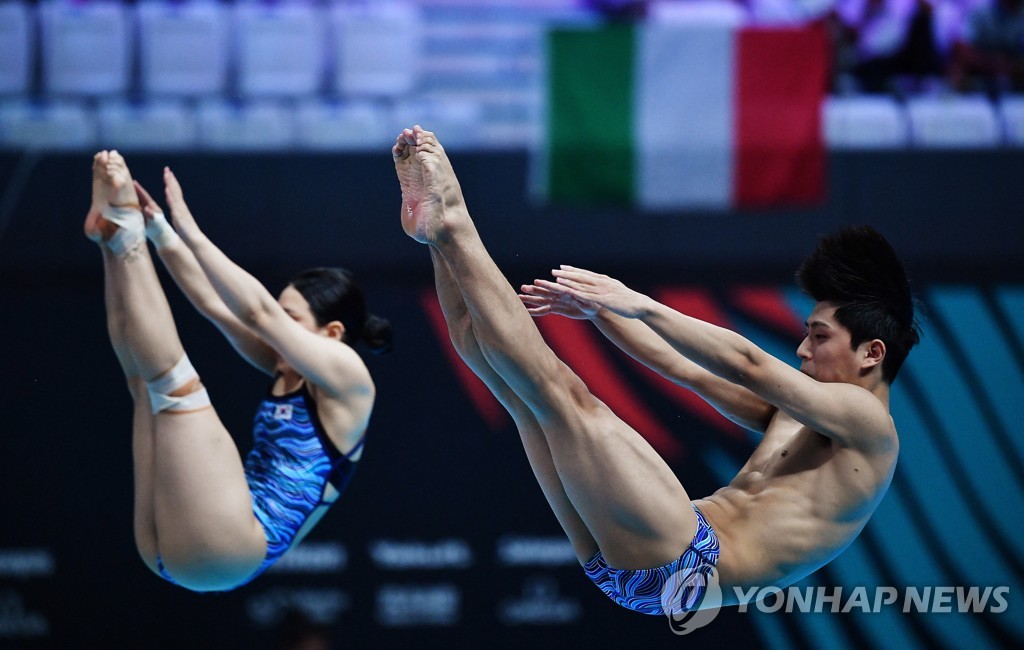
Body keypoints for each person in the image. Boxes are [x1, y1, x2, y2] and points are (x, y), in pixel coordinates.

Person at [393, 125, 919, 615]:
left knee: (563, 395)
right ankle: (437, 241)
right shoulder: (803, 414)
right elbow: (682, 369)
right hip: (645, 563)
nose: (803, 350)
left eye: (819, 336)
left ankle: (455, 221)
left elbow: (748, 362)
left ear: (873, 353)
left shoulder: (870, 425)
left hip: (693, 559)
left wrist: (639, 303)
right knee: (514, 390)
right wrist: (601, 314)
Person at [85, 150, 391, 592]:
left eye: (293, 319)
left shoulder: (348, 376)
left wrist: (190, 229)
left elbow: (258, 312)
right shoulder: (286, 366)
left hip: (231, 545)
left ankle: (124, 235)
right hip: (191, 545)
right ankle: (114, 240)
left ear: (333, 331)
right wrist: (162, 232)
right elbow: (215, 305)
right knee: (143, 383)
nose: (279, 331)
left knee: (172, 383)